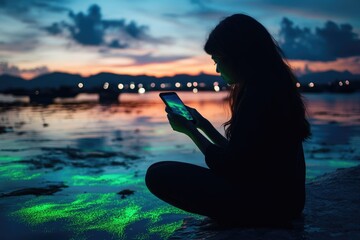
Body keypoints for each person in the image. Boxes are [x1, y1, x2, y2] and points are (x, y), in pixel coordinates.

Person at [145, 13, 311, 227]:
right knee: (164, 169)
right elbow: (243, 157)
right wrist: (203, 125)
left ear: (237, 56)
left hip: (270, 207)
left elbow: (230, 166)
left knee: (157, 175)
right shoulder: (271, 86)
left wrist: (191, 132)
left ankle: (238, 219)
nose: (216, 69)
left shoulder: (259, 95)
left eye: (217, 60)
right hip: (287, 201)